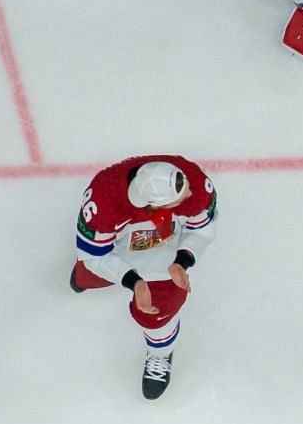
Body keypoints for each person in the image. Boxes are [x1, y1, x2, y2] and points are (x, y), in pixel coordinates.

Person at [70, 155, 217, 400]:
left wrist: (183, 261)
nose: (189, 192)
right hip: (117, 250)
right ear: (154, 206)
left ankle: (160, 353)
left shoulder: (192, 180)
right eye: (180, 197)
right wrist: (132, 281)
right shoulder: (102, 203)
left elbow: (202, 229)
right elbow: (96, 256)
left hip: (165, 255)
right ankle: (86, 280)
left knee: (160, 310)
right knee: (88, 274)